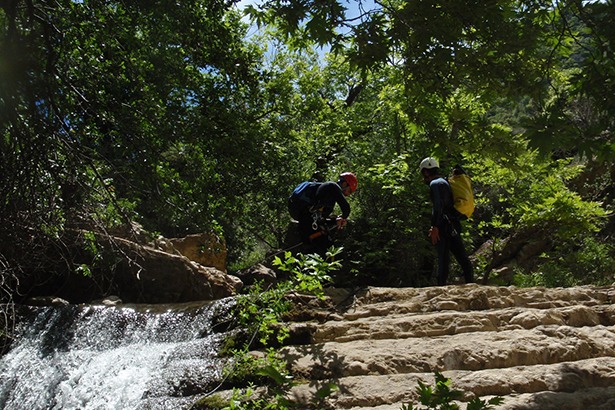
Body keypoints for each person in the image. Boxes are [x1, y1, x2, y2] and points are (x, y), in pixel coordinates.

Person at [419, 157, 473, 285]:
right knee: (462, 258)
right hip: (453, 224)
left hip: (443, 226)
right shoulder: (445, 182)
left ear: (426, 172)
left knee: (443, 259)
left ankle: (441, 288)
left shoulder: (435, 184)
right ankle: (471, 284)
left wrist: (435, 226)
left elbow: (438, 206)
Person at [288, 172, 358, 254]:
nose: (348, 195)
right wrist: (344, 217)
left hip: (305, 220)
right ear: (344, 184)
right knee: (327, 247)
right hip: (305, 217)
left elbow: (322, 219)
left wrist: (335, 221)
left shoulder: (329, 202)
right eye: (349, 191)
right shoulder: (331, 186)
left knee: (321, 246)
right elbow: (346, 209)